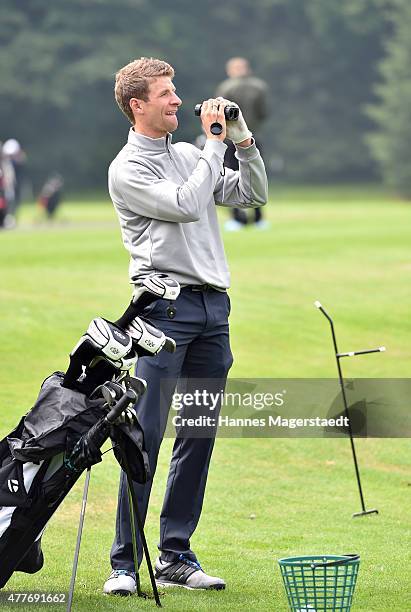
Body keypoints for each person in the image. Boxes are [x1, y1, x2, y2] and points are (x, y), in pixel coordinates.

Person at [103, 57, 267, 595]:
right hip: (163, 312)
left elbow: (252, 195)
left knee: (197, 434)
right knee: (145, 436)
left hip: (212, 312)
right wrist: (214, 144)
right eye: (167, 94)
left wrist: (241, 141)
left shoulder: (193, 154)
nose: (178, 100)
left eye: (176, 92)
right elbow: (187, 205)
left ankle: (176, 554)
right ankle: (124, 564)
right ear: (138, 105)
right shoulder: (128, 167)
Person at [216, 57, 269, 231]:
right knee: (255, 173)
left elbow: (219, 112)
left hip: (231, 139)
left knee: (231, 175)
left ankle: (238, 219)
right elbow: (263, 113)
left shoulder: (226, 87)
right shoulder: (260, 87)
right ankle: (259, 218)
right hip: (252, 136)